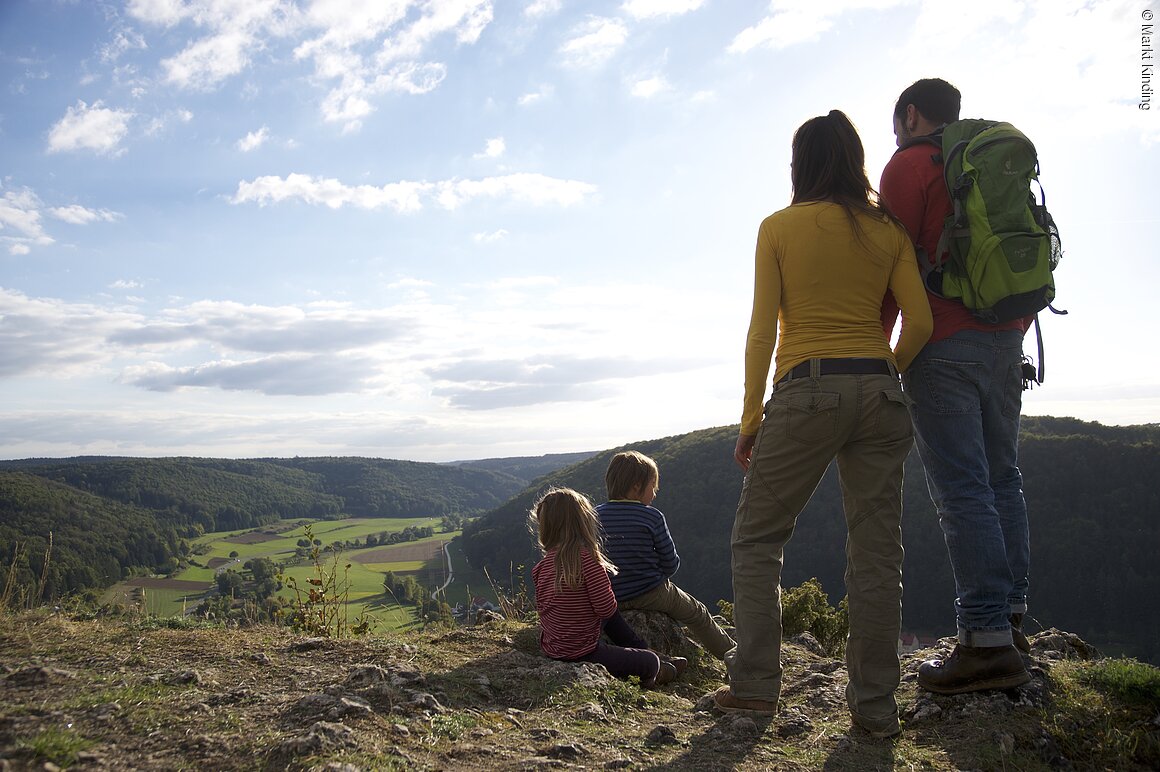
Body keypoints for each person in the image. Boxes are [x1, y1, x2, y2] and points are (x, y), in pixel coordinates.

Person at [715, 110, 933, 739]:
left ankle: (755, 689)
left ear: (800, 164)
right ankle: (875, 711)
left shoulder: (779, 227)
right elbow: (917, 323)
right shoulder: (886, 230)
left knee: (757, 539)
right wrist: (883, 372)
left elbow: (763, 332)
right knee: (876, 555)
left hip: (807, 389)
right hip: (880, 390)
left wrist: (751, 418)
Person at [880, 78, 1033, 694]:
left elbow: (892, 270)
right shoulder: (986, 160)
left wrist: (879, 353)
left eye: (896, 122)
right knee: (1003, 479)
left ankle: (985, 641)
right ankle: (1010, 619)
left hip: (942, 346)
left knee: (962, 491)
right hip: (1008, 337)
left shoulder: (909, 166)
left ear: (910, 114)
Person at [530, 487, 681, 688]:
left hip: (552, 647)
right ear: (583, 522)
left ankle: (646, 652)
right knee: (647, 661)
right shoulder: (588, 560)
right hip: (582, 653)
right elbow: (606, 609)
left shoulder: (542, 566)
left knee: (611, 618)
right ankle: (656, 665)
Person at [596, 450, 736, 660]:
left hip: (610, 596)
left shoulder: (593, 516)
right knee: (698, 614)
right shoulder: (652, 516)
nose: (655, 493)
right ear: (636, 486)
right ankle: (736, 657)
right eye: (653, 486)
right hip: (651, 593)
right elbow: (670, 562)